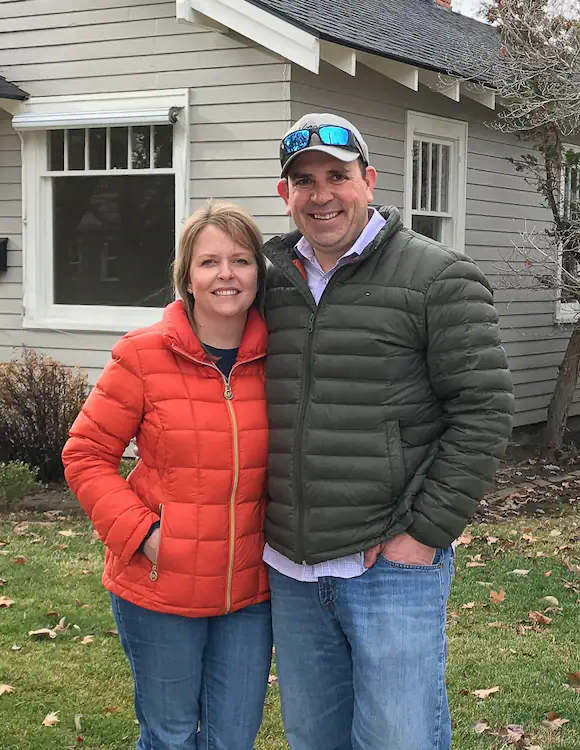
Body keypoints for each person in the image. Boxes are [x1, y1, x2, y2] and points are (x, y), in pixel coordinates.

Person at [261, 113, 515, 750]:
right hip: (293, 567)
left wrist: (423, 533)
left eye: (337, 177)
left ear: (369, 180)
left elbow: (484, 412)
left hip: (390, 562)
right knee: (313, 738)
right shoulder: (268, 280)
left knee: (399, 739)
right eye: (304, 181)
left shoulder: (437, 277)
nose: (321, 195)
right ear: (284, 194)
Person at [62, 201, 273, 749]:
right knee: (171, 736)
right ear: (187, 277)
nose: (226, 274)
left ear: (258, 273)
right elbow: (85, 453)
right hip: (161, 586)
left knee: (232, 740)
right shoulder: (142, 356)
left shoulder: (282, 357)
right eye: (209, 262)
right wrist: (144, 535)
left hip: (250, 594)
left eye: (241, 260)